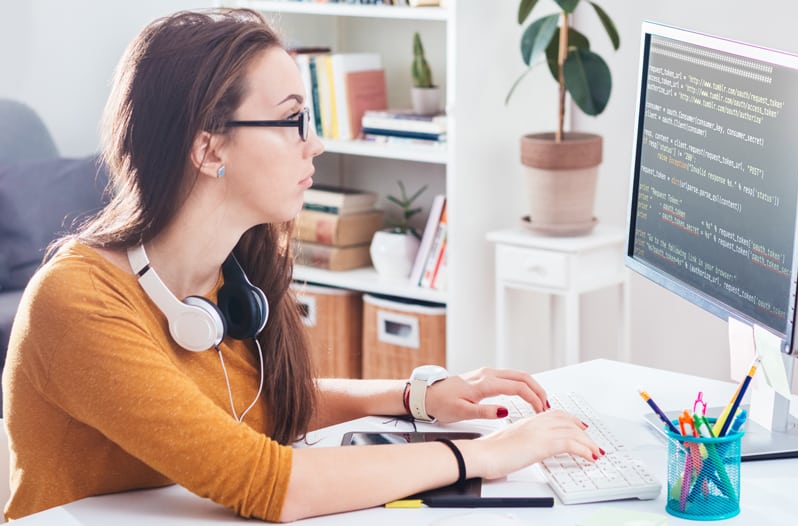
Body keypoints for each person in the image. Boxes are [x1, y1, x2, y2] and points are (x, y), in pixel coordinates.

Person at [1, 8, 602, 523]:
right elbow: (268, 483)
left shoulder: (225, 278)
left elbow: (261, 402)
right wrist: (487, 454)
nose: (314, 144)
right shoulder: (77, 302)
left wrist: (420, 396)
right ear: (209, 145)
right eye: (292, 121)